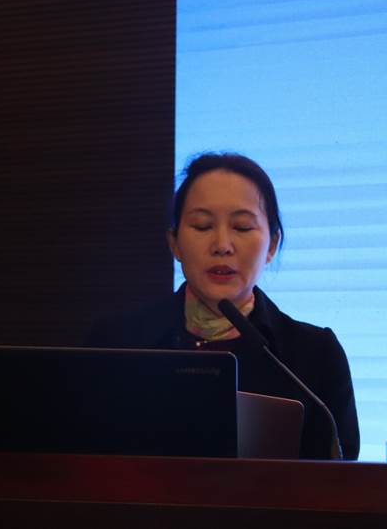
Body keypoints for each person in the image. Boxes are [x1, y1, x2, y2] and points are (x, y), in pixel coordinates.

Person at [87, 152, 360, 460]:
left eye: (242, 227)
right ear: (174, 243)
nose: (222, 245)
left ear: (271, 245)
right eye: (202, 226)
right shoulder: (114, 343)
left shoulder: (316, 355)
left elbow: (341, 476)